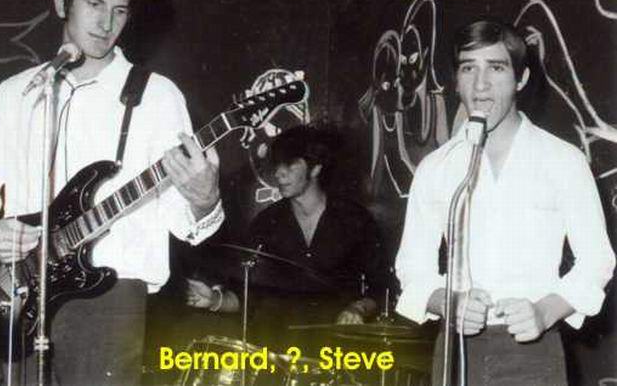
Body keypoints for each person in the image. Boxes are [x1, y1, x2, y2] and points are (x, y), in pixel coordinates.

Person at [0, 0, 223, 386]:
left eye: (119, 10)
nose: (106, 23)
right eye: (94, 4)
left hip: (110, 296)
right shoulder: (15, 93)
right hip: (19, 291)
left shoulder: (157, 96)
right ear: (61, 3)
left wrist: (205, 198)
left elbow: (184, 223)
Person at [395, 19, 616, 385]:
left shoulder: (563, 160)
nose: (480, 84)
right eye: (468, 68)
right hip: (456, 350)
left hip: (533, 350)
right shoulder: (436, 168)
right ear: (456, 80)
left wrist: (544, 312)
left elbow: (597, 260)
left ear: (521, 79)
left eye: (496, 68)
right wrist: (447, 302)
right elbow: (412, 268)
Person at [246, 125, 393, 355]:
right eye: (277, 165)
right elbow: (247, 292)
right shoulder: (266, 223)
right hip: (278, 352)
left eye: (290, 164)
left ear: (315, 168)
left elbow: (381, 287)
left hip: (339, 352)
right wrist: (215, 299)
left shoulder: (355, 220)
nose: (279, 173)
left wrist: (358, 308)